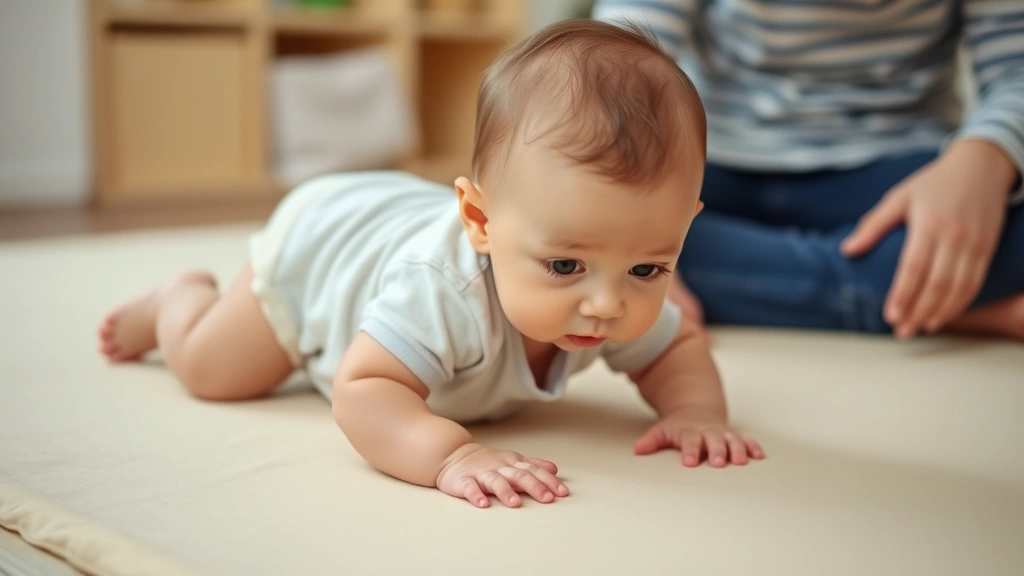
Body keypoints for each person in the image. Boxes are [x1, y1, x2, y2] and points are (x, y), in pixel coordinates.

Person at [96, 20, 763, 510]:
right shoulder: (442, 291)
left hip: (399, 210)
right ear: (480, 224)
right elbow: (363, 391)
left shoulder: (604, 278)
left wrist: (697, 411)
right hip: (325, 247)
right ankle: (178, 301)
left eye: (649, 269)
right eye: (565, 265)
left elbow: (675, 346)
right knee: (214, 371)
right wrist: (452, 455)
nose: (606, 305)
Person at [594, 0, 1024, 340]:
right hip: (710, 161)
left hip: (893, 164)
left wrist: (985, 158)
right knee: (569, 228)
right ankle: (951, 307)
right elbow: (623, 56)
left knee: (594, 264)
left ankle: (919, 294)